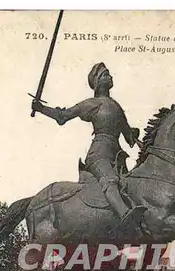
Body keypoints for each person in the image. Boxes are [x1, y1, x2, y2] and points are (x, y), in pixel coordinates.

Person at [31, 62, 146, 229]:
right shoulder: (91, 104)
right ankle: (125, 215)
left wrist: (138, 139)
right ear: (98, 81)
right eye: (106, 74)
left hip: (117, 157)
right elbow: (62, 116)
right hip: (99, 155)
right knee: (110, 181)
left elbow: (129, 138)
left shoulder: (116, 107)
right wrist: (41, 108)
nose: (111, 76)